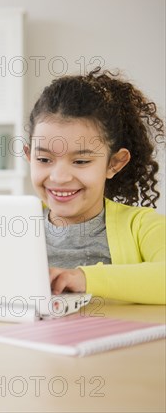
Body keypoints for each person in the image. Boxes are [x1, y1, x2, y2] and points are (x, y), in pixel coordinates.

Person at [25, 68, 165, 304]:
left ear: (114, 163)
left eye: (80, 161)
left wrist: (84, 279)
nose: (59, 177)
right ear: (29, 157)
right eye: (44, 159)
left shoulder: (142, 227)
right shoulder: (17, 223)